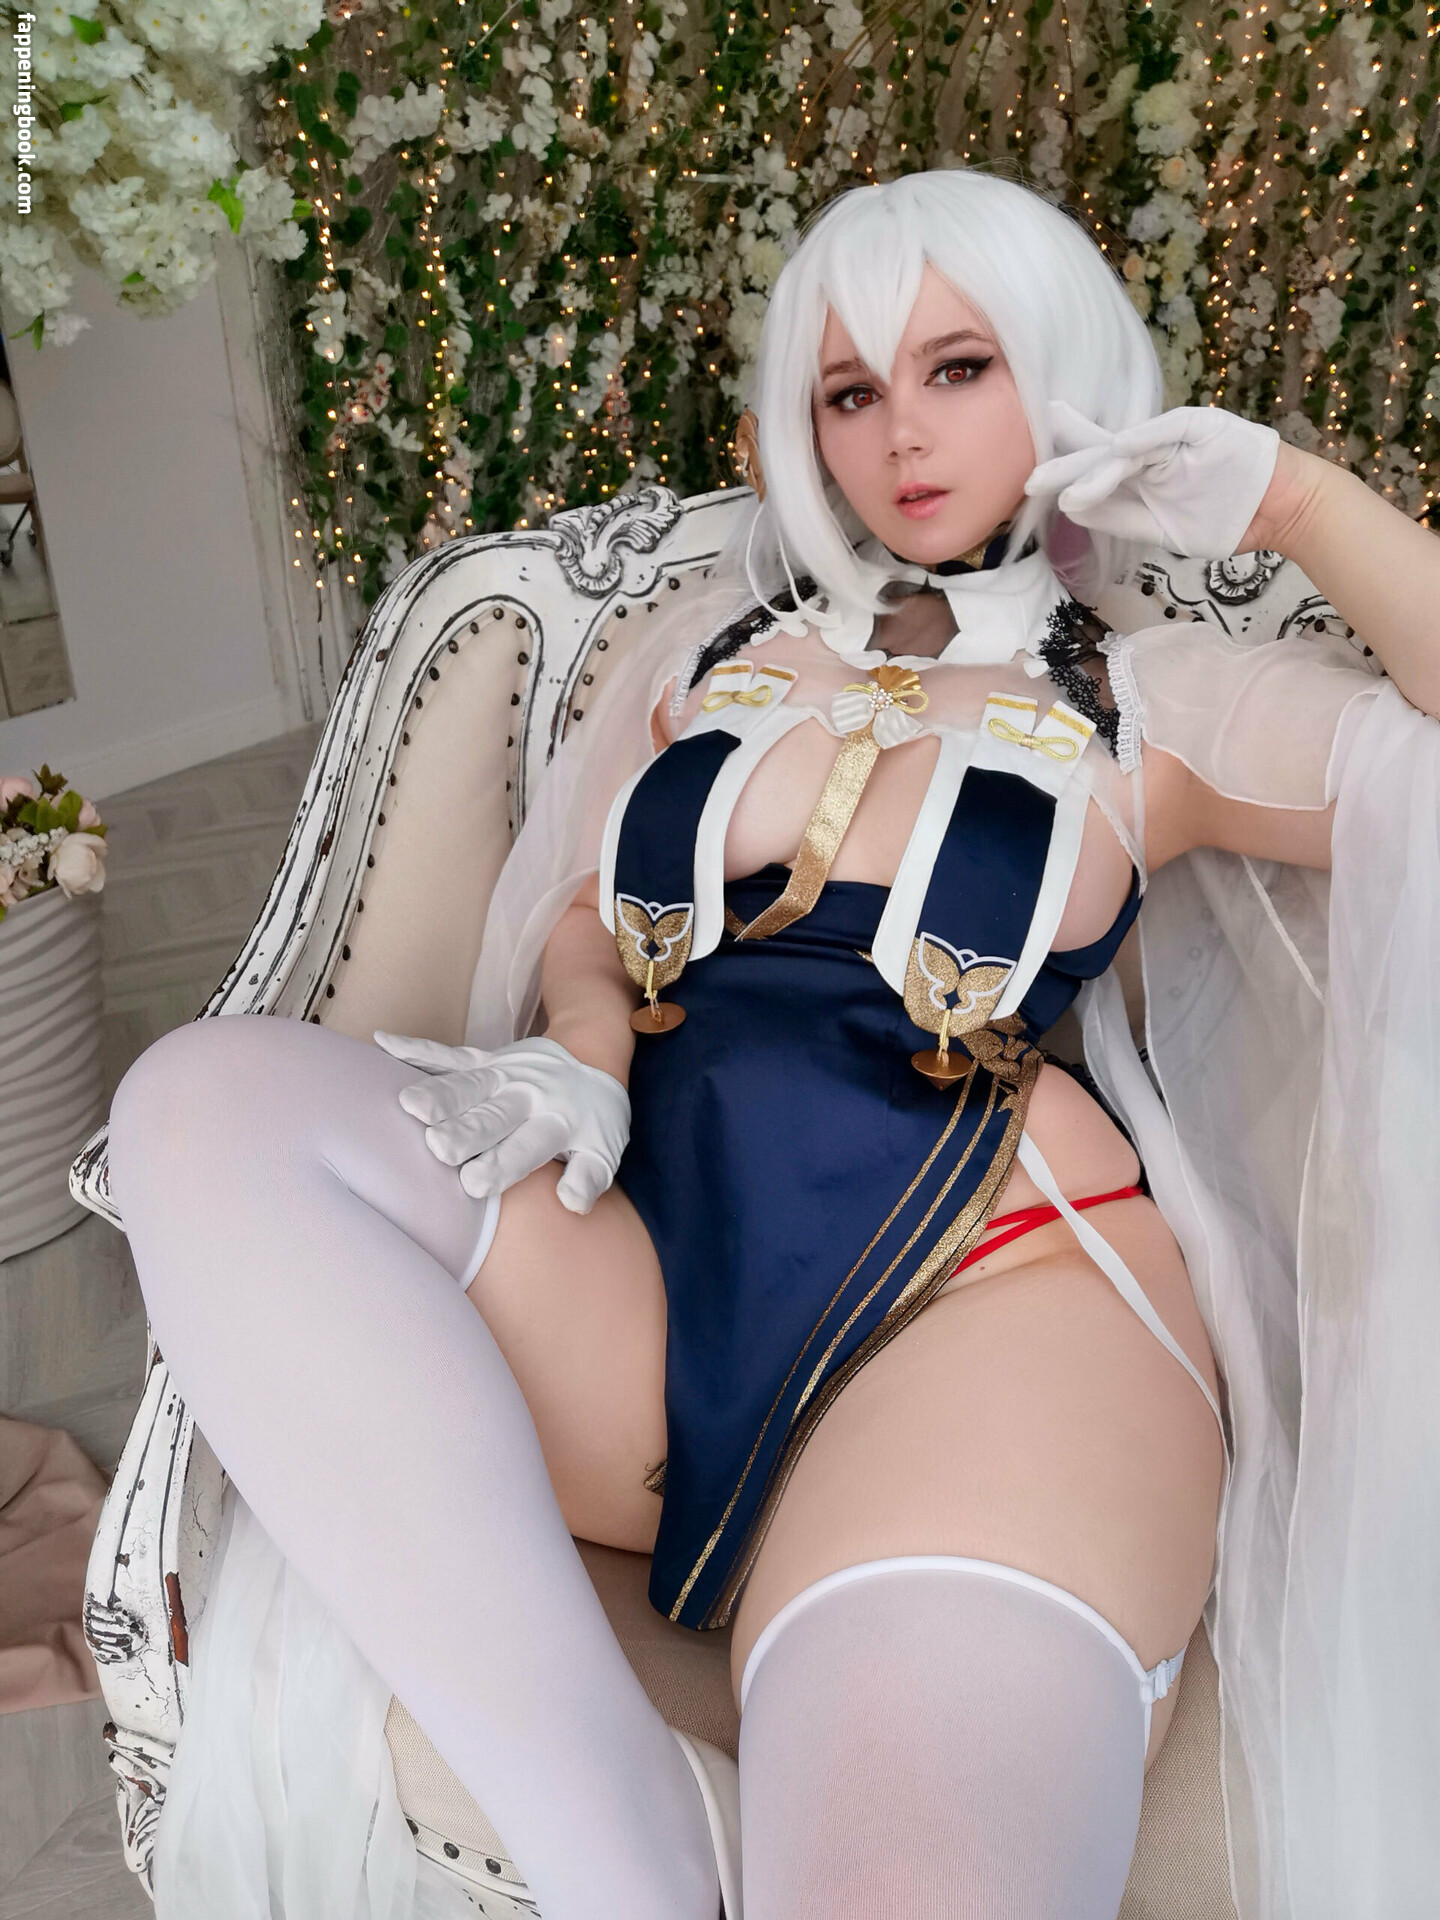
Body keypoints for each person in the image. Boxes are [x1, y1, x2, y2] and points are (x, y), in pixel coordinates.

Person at [106, 167, 1440, 1920]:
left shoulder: (1153, 695)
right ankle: (630, 1854)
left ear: (1063, 370)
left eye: (959, 368)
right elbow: (588, 912)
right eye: (850, 390)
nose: (903, 434)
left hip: (990, 1308)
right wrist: (578, 1051)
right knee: (201, 1107)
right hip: (649, 1263)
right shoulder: (705, 651)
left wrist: (1294, 500)